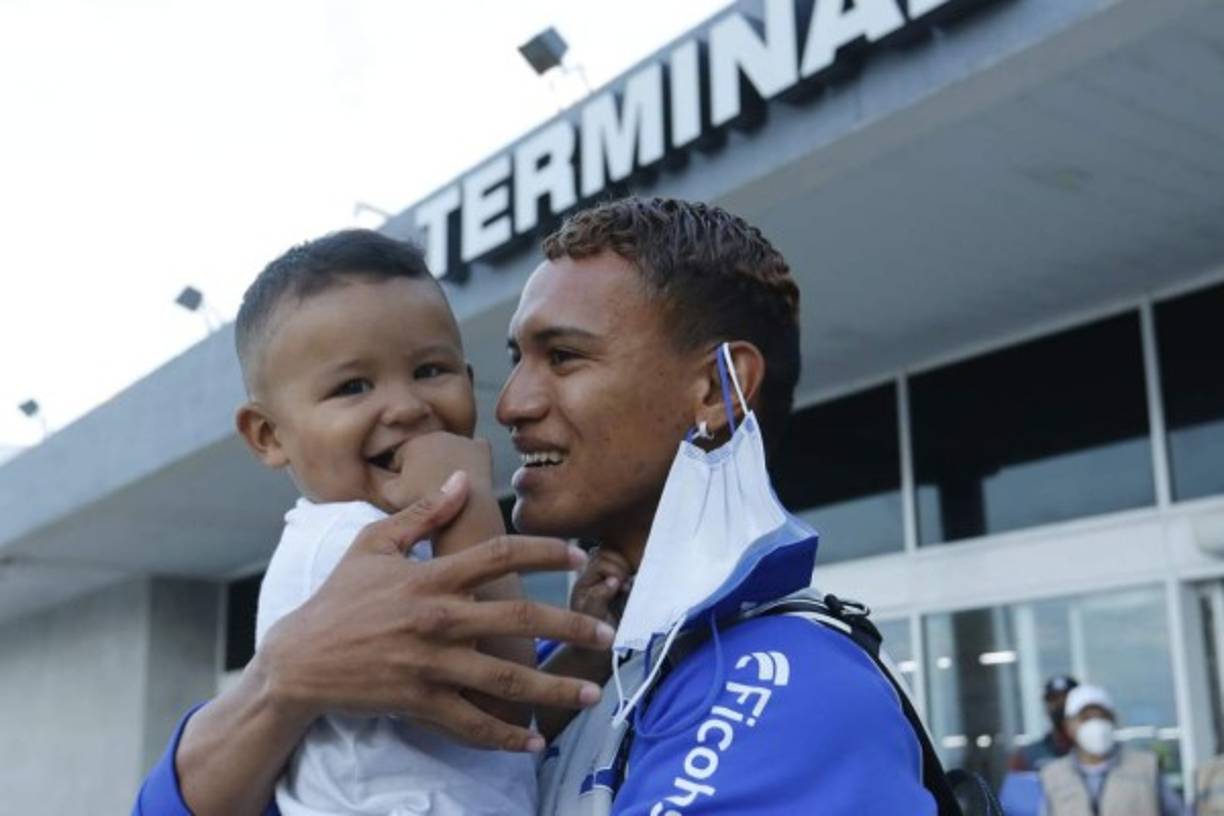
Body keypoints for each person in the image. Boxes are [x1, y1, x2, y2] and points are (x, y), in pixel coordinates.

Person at [137, 197, 937, 814]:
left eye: (563, 357)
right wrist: (281, 682)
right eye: (513, 360)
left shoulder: (783, 686)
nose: (510, 405)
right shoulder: (614, 664)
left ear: (714, 390)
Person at [230, 230, 547, 815]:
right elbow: (500, 698)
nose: (406, 407)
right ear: (269, 435)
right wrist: (470, 502)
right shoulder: (345, 546)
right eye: (353, 386)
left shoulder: (394, 535)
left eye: (431, 370)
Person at [1038, 684, 1183, 816]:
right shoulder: (1053, 776)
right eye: (1086, 718)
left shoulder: (1145, 766)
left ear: (1113, 721)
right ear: (1069, 726)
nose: (1095, 724)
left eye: (1102, 717)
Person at [1012, 675, 1080, 772]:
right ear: (1046, 708)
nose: (1061, 704)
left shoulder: (1098, 749)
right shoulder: (1028, 755)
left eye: (1067, 699)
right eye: (1054, 699)